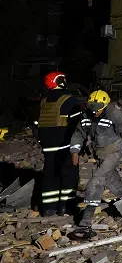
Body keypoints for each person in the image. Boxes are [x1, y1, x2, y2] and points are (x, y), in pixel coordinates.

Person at [70, 90, 122, 233]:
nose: (95, 113)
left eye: (98, 110)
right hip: (99, 151)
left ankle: (86, 220)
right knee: (110, 177)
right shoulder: (87, 115)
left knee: (97, 179)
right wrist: (74, 151)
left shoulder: (114, 114)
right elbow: (78, 133)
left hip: (114, 150)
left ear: (105, 105)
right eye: (92, 110)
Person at [34, 71, 83, 216]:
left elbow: (35, 125)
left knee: (50, 176)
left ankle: (49, 208)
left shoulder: (43, 101)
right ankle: (66, 207)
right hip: (64, 145)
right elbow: (77, 125)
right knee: (69, 175)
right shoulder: (69, 100)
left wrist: (41, 141)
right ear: (60, 81)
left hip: (48, 147)